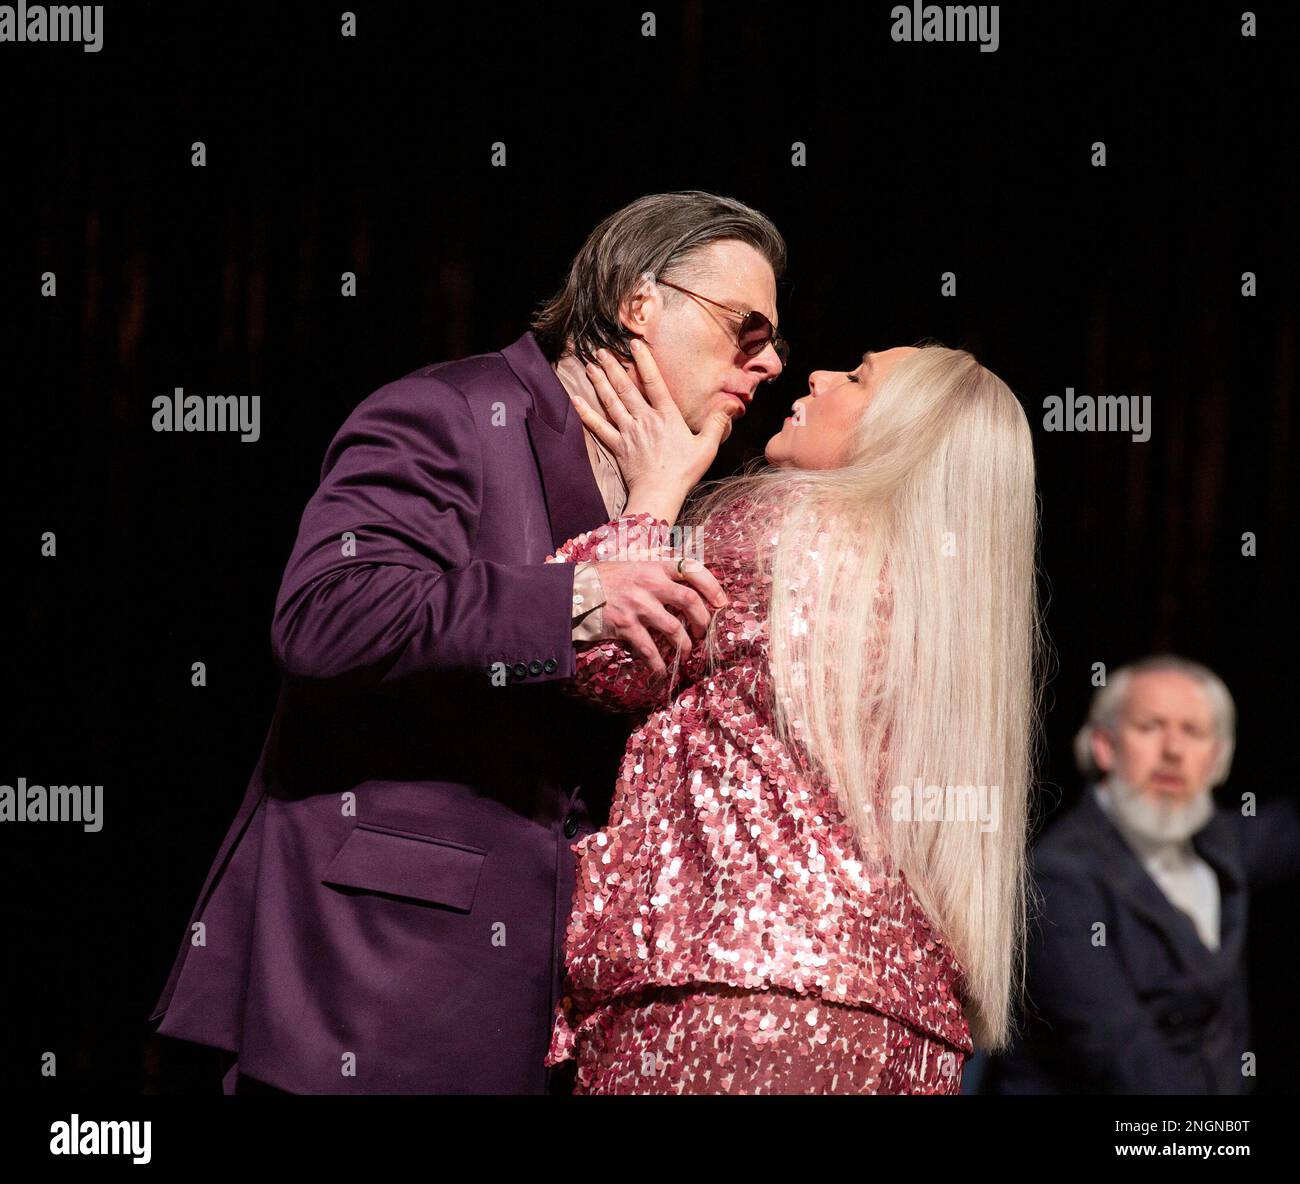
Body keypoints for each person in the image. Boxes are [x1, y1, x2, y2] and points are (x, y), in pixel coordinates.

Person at [146, 191, 786, 1093]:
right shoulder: (450, 409)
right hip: (378, 968)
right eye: (745, 327)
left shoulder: (668, 488)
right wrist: (574, 600)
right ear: (642, 303)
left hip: (536, 996)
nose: (770, 360)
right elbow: (325, 615)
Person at [542, 336, 1043, 1093]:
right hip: (908, 1034)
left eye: (859, 377)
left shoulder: (785, 532)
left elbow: (579, 642)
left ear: (899, 433)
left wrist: (654, 495)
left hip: (735, 999)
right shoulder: (953, 617)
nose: (819, 373)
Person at [985, 655, 1300, 1094]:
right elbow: (1126, 1059)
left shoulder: (1222, 841)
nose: (1172, 750)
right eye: (1150, 727)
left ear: (1217, 758)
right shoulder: (1058, 878)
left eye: (1193, 732)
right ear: (1104, 746)